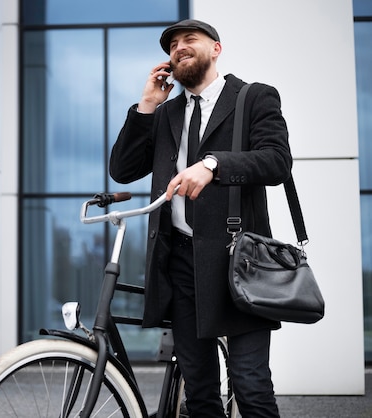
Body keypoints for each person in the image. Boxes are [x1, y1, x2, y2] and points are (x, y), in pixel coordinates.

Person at [110, 19, 292, 417]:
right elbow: (122, 169)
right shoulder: (166, 112)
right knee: (200, 390)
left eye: (189, 39)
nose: (179, 47)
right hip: (179, 264)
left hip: (238, 262)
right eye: (173, 44)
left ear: (217, 48)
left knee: (251, 385)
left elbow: (277, 162)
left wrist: (213, 164)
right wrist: (146, 106)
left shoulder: (253, 97)